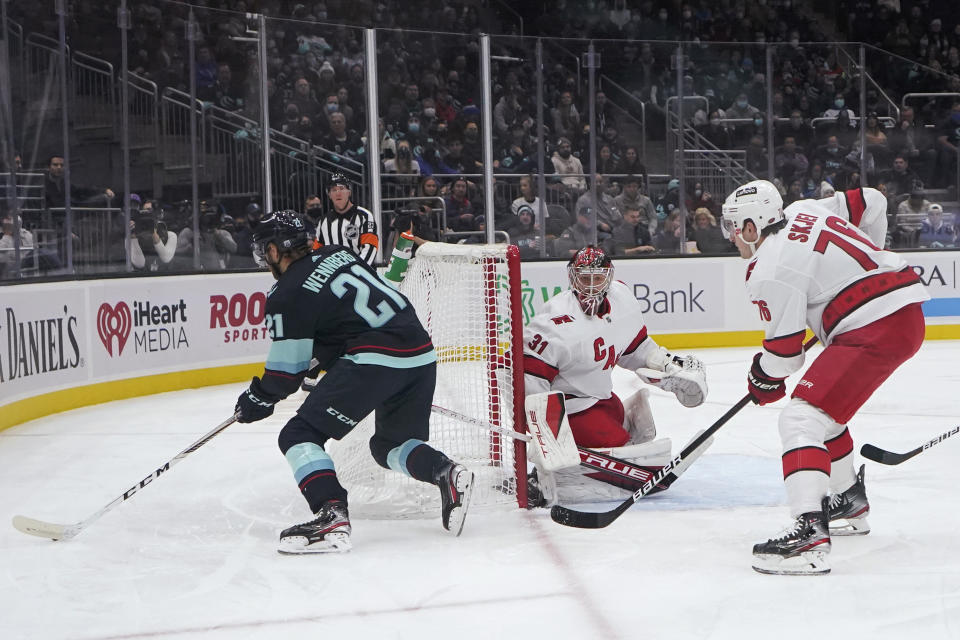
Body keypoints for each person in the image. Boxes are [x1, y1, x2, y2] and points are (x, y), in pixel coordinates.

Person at [720, 180, 929, 575]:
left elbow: (784, 358)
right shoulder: (805, 210)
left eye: (734, 226)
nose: (732, 236)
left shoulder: (768, 269)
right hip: (898, 309)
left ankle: (809, 533)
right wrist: (871, 259)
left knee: (800, 419)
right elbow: (873, 200)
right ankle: (848, 497)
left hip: (875, 325)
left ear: (751, 227)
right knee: (824, 413)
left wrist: (761, 379)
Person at [234, 211, 474, 553]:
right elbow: (341, 319)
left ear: (275, 250)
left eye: (264, 248)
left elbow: (284, 377)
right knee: (389, 446)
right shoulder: (337, 253)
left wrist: (256, 399)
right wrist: (321, 356)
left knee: (298, 435)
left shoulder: (285, 294)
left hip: (374, 358)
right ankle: (445, 472)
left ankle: (330, 513)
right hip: (419, 352)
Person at [522, 246, 707, 505]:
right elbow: (529, 379)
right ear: (572, 278)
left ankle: (593, 452)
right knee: (618, 448)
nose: (590, 286)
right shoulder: (554, 321)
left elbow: (635, 348)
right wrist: (547, 434)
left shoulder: (621, 298)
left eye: (597, 278)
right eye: (583, 278)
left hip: (599, 396)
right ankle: (557, 478)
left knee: (623, 423)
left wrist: (667, 365)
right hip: (571, 407)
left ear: (608, 277)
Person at [315, 173, 378, 266]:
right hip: (334, 276)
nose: (338, 193)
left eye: (342, 188)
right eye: (334, 190)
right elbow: (317, 252)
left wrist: (356, 270)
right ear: (329, 195)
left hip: (360, 275)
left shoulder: (364, 216)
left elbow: (370, 248)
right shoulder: (323, 222)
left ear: (349, 192)